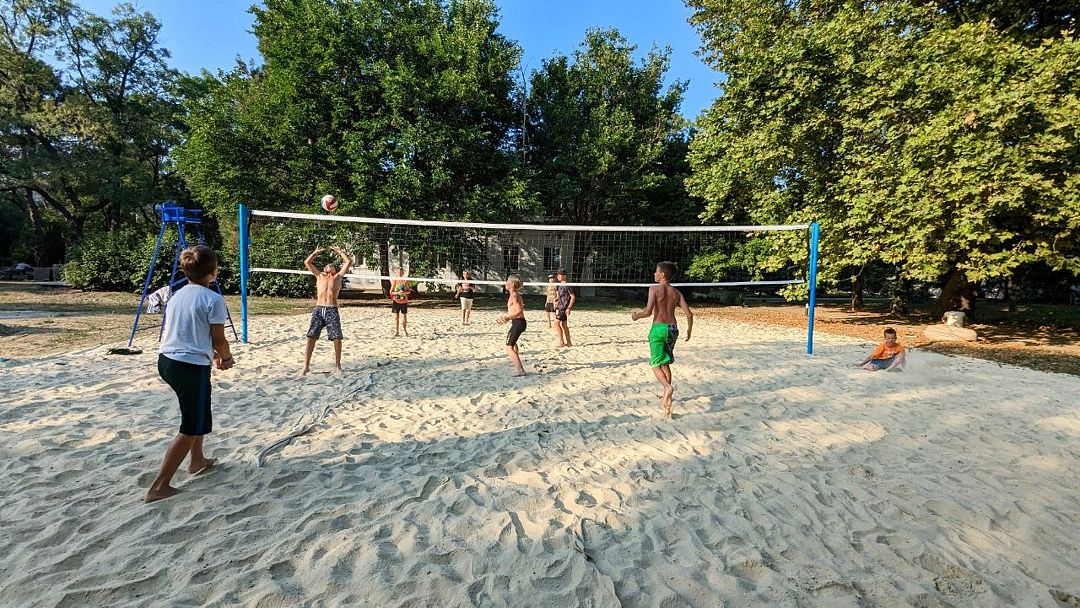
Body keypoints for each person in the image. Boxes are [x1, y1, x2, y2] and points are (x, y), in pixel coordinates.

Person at [146, 245, 233, 503]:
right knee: (191, 426)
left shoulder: (177, 295)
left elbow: (190, 331)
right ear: (213, 272)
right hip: (188, 366)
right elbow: (219, 338)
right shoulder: (213, 299)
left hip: (168, 361)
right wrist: (226, 358)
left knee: (198, 413)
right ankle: (159, 487)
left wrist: (211, 353)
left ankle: (197, 460)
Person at [631, 261, 693, 419]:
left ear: (662, 274)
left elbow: (648, 312)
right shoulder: (676, 292)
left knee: (655, 364)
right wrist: (689, 331)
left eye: (656, 271)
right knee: (665, 362)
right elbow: (689, 314)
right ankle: (668, 397)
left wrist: (635, 316)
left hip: (658, 329)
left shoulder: (654, 289)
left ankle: (667, 387)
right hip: (673, 329)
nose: (654, 274)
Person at [301, 245, 352, 375]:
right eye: (327, 265)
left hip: (331, 309)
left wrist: (340, 252)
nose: (329, 266)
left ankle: (338, 366)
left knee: (337, 337)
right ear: (325, 269)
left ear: (335, 269)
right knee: (311, 336)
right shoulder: (319, 276)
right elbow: (307, 262)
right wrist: (315, 253)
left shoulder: (338, 277)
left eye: (332, 265)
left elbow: (348, 262)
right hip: (319, 309)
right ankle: (306, 366)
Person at [497, 275, 527, 377]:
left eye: (507, 281)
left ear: (512, 284)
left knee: (508, 347)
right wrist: (508, 318)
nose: (506, 283)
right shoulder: (514, 295)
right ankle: (516, 362)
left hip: (519, 322)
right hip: (517, 322)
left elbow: (519, 311)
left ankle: (520, 370)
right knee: (513, 344)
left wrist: (508, 317)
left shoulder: (514, 295)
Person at [554, 268, 576, 347]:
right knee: (564, 325)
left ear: (564, 276)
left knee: (556, 324)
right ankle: (569, 342)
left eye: (560, 275)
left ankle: (561, 342)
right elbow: (558, 297)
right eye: (558, 275)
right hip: (560, 307)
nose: (558, 276)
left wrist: (569, 308)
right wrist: (555, 301)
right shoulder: (559, 285)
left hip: (563, 308)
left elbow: (573, 297)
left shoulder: (567, 285)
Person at [390, 267, 412, 337]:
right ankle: (396, 331)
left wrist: (404, 292)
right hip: (396, 301)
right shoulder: (395, 280)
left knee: (404, 317)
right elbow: (391, 292)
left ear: (403, 273)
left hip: (404, 301)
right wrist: (398, 293)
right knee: (396, 317)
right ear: (396, 273)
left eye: (401, 271)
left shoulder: (405, 281)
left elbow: (408, 291)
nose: (399, 273)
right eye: (398, 272)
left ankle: (405, 331)